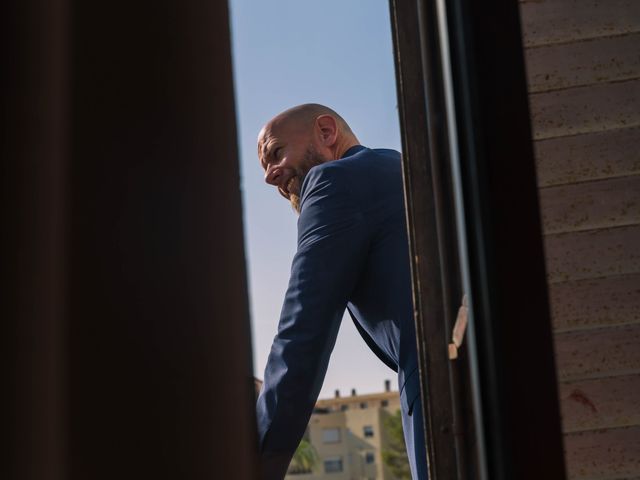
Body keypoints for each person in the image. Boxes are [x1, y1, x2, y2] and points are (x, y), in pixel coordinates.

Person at [255, 104, 427, 480]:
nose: (269, 176)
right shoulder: (397, 167)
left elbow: (302, 332)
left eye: (276, 152)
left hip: (442, 403)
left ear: (327, 132)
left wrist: (258, 462)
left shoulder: (335, 181)